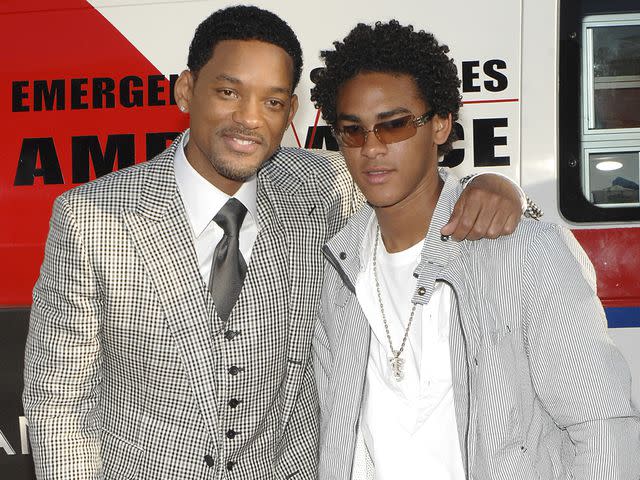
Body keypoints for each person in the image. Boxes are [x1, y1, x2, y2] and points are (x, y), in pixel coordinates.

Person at [23, 6, 530, 480]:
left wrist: (495, 187)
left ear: (290, 109)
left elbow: (418, 181)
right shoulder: (92, 218)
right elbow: (58, 401)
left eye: (271, 101)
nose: (249, 118)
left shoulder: (323, 186)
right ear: (185, 90)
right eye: (228, 92)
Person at [311, 20, 640, 480]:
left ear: (441, 125)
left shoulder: (525, 252)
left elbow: (601, 425)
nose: (372, 147)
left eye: (395, 125)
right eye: (353, 131)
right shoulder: (336, 272)